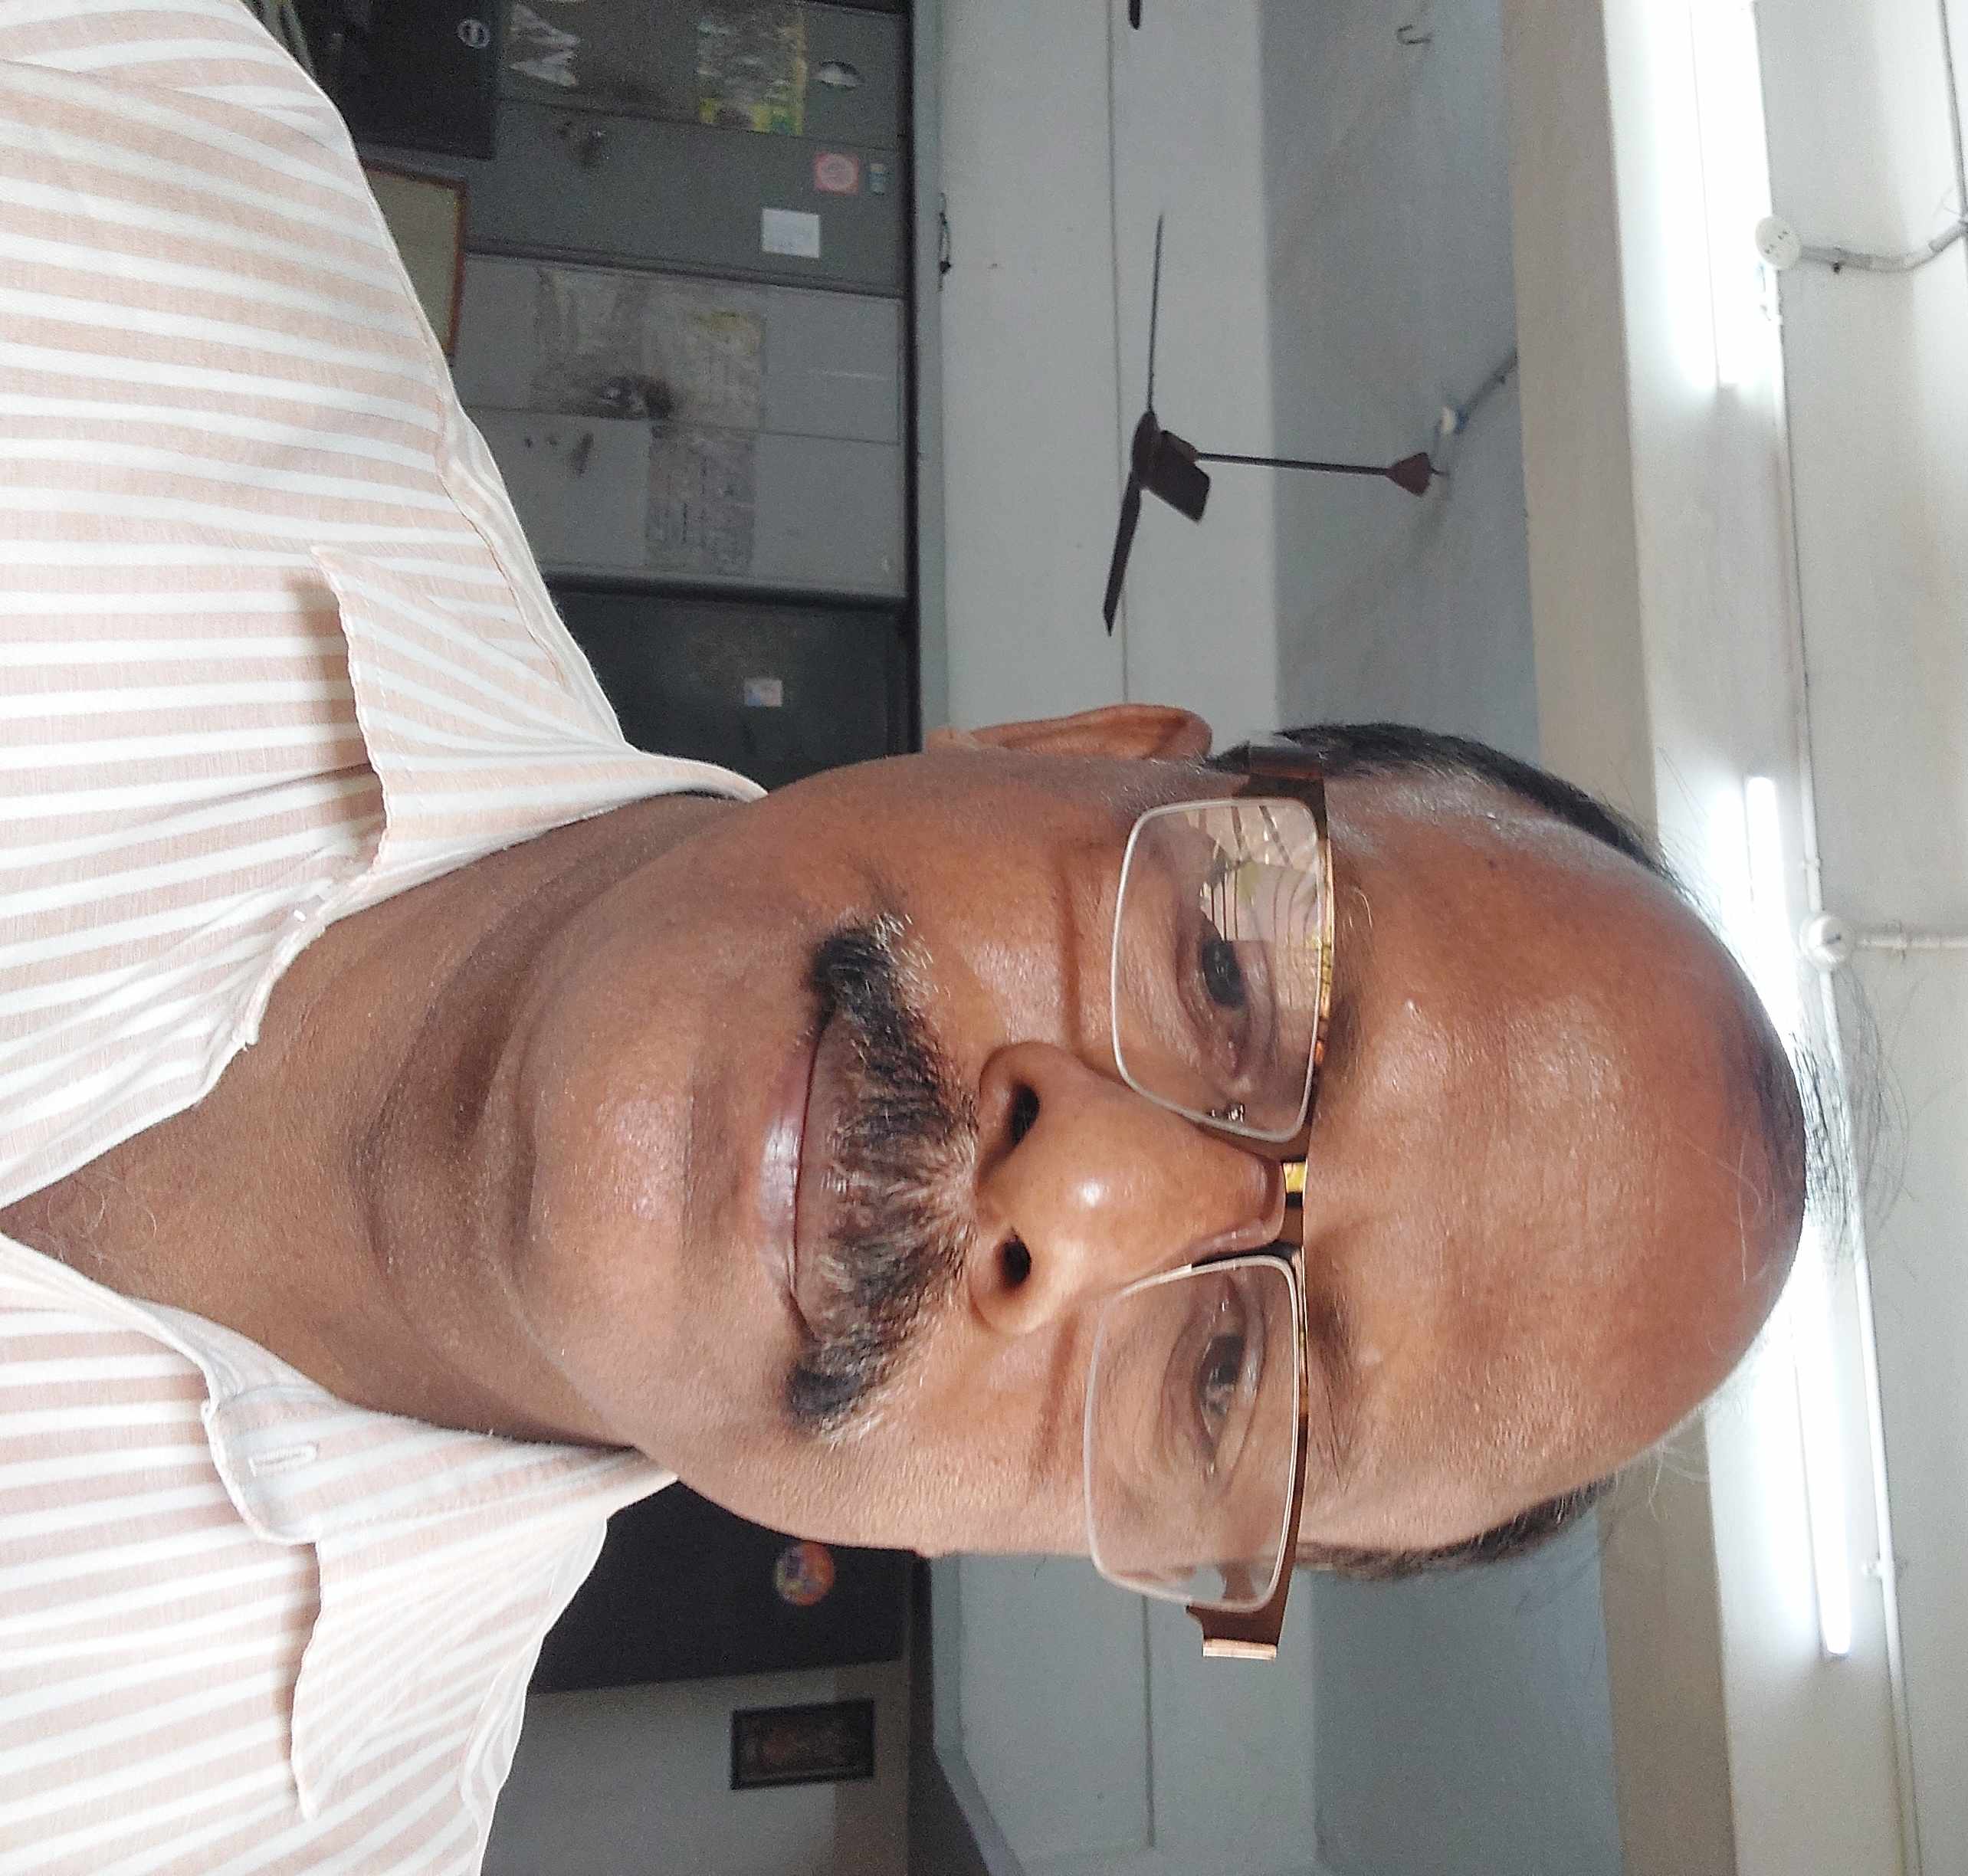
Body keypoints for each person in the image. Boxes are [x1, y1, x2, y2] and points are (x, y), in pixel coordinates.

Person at [0, 1, 1806, 1868]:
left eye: (1225, 1380)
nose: (1070, 1197)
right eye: (1227, 978)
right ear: (1070, 747)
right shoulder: (116, 139)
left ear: (1079, 1551)